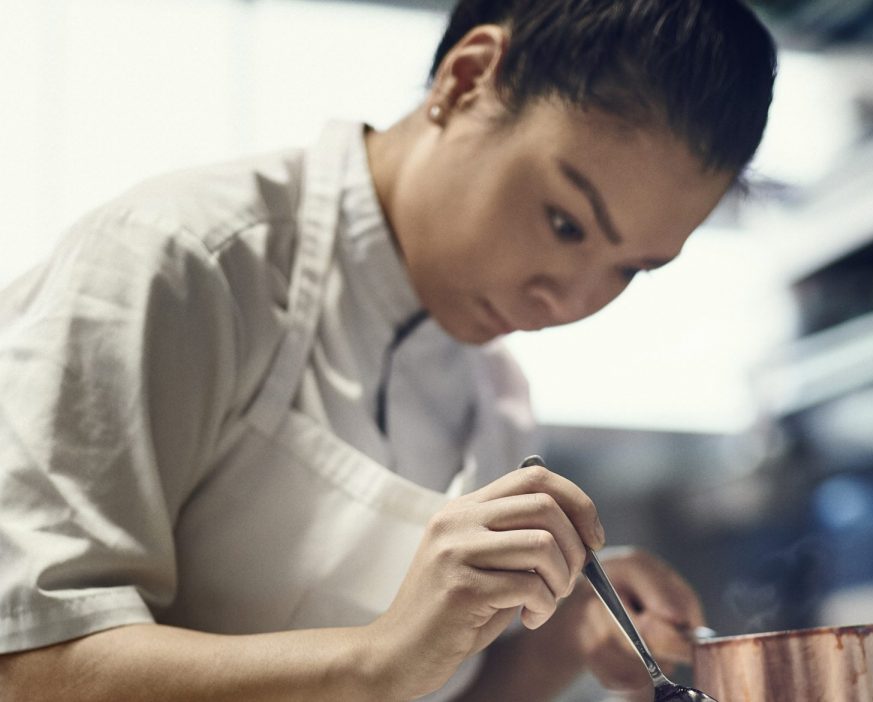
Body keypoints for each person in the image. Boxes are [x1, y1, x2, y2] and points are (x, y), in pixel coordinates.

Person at [0, 0, 776, 699]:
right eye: (566, 222)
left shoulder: (492, 398)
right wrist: (376, 658)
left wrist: (563, 636)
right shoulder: (187, 261)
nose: (572, 302)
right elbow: (29, 665)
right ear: (468, 78)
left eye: (631, 270)